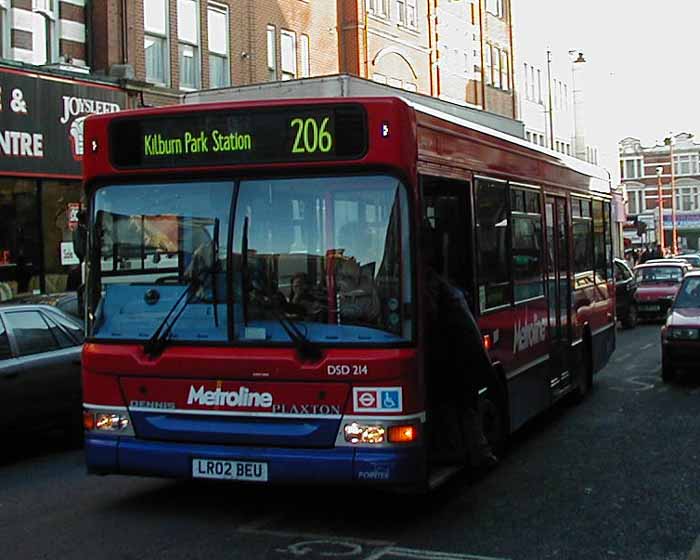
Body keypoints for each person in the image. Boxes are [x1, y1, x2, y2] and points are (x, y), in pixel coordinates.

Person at [422, 225, 498, 468]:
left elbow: (430, 316)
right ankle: (474, 453)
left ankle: (477, 455)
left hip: (460, 359)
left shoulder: (432, 284)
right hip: (463, 358)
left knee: (463, 407)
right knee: (464, 406)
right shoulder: (446, 286)